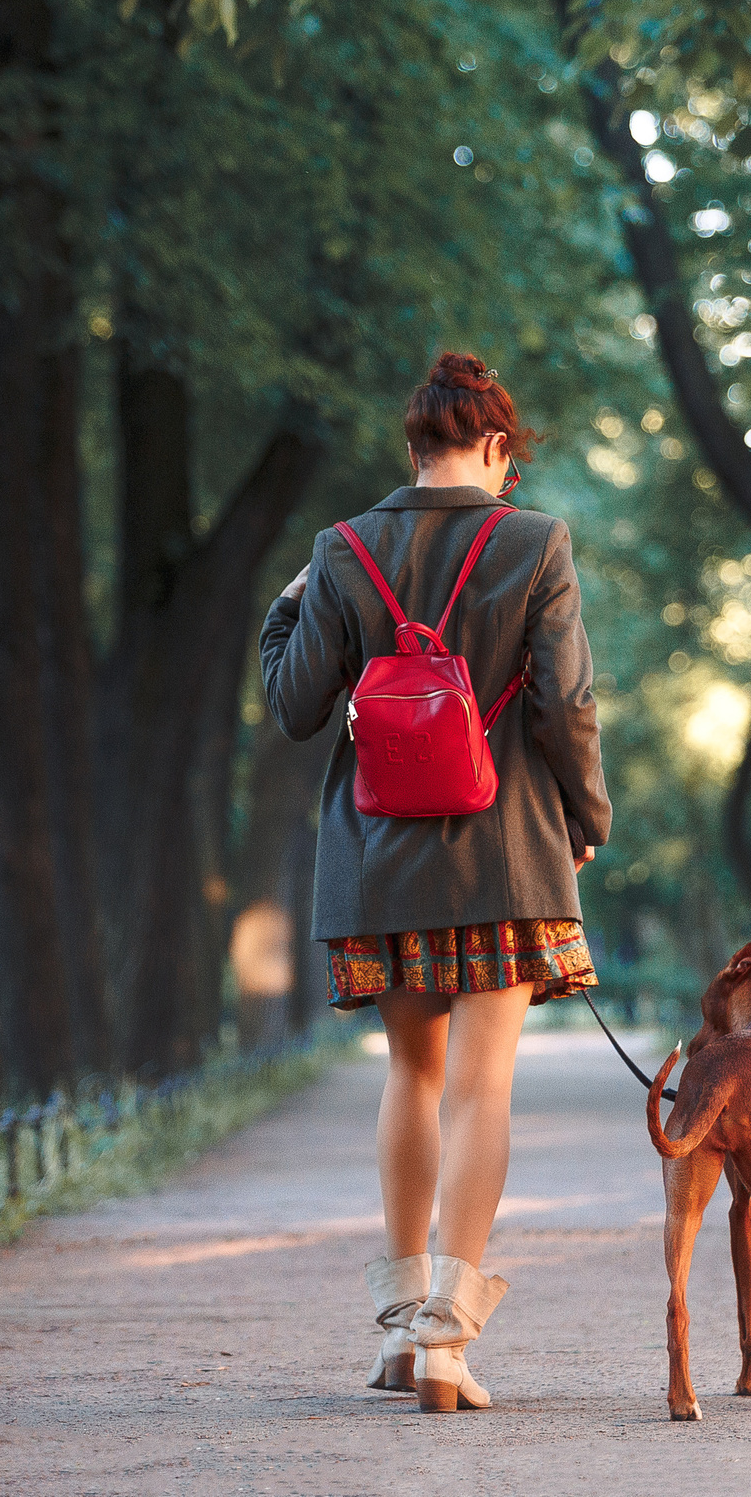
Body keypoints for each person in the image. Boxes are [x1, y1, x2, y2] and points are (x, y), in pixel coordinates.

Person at [260, 351, 612, 1414]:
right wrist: (585, 817)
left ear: (412, 445)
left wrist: (288, 605)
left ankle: (399, 1329)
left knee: (411, 1076)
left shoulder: (342, 548)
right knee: (480, 1086)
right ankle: (448, 1336)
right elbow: (565, 704)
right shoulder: (535, 540)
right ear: (496, 446)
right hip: (504, 852)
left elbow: (295, 705)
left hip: (379, 854)